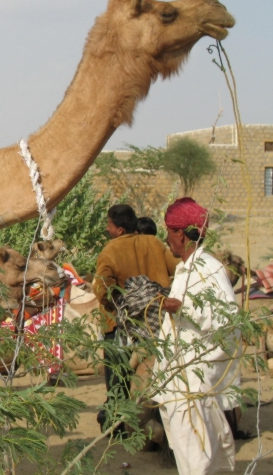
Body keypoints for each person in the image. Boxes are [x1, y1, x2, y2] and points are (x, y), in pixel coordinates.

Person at [156, 197, 241, 474]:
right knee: (191, 454)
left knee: (197, 457)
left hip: (194, 383)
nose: (167, 239)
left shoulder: (208, 269)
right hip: (179, 379)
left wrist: (183, 308)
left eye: (169, 232)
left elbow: (227, 322)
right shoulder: (186, 270)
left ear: (180, 233)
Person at [93, 204, 174, 411]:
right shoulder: (154, 243)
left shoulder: (110, 250)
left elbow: (102, 290)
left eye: (109, 225)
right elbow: (177, 267)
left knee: (117, 379)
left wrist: (121, 304)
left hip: (120, 326)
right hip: (156, 323)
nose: (107, 229)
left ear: (120, 229)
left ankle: (117, 420)